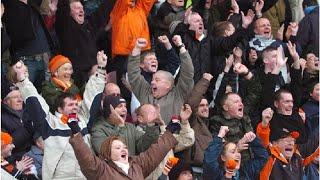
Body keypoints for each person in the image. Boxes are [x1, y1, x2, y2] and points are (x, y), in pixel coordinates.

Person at [13, 51, 107, 179]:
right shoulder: (51, 124)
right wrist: (23, 80)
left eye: (76, 105)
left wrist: (101, 68)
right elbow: (35, 102)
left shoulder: (83, 121)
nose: (75, 107)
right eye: (70, 105)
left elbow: (93, 95)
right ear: (59, 109)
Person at [68, 113, 180, 179]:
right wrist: (76, 133)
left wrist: (169, 132)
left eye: (124, 147)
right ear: (107, 153)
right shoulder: (102, 169)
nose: (123, 150)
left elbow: (155, 152)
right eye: (117, 148)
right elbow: (86, 157)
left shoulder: (137, 165)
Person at [128, 37, 194, 124]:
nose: (152, 82)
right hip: (148, 136)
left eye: (157, 80)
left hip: (172, 136)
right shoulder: (145, 93)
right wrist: (137, 48)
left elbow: (188, 73)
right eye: (152, 80)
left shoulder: (178, 95)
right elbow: (134, 75)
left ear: (168, 84)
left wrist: (181, 46)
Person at [54, 0, 115, 88]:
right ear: (69, 13)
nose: (81, 10)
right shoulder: (65, 27)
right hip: (77, 77)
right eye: (77, 8)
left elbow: (102, 11)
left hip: (95, 73)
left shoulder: (89, 26)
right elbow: (62, 8)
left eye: (82, 8)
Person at [2, 0, 54, 92]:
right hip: (25, 60)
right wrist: (15, 59)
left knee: (45, 95)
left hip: (45, 57)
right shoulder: (9, 5)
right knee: (26, 94)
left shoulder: (32, 4)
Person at [256, 109, 319, 180]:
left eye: (293, 141)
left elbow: (312, 152)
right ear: (274, 143)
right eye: (286, 140)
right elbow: (262, 143)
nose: (291, 143)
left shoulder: (297, 158)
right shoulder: (269, 157)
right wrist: (264, 124)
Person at [91, 96, 160, 155]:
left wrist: (151, 126)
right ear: (109, 111)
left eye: (125, 106)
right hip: (113, 170)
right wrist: (120, 127)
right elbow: (106, 152)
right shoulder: (98, 129)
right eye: (120, 106)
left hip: (133, 168)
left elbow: (142, 147)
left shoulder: (130, 127)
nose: (124, 110)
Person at [203, 126, 268, 180]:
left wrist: (254, 140)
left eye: (238, 151)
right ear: (223, 157)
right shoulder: (216, 174)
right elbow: (209, 160)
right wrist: (219, 137)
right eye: (233, 152)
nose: (237, 155)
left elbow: (262, 158)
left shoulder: (246, 172)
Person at [183, 73, 213, 178]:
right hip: (194, 171)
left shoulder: (210, 123)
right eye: (201, 105)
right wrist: (205, 81)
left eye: (206, 105)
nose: (205, 108)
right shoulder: (192, 121)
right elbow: (192, 103)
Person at [1, 77, 35, 162]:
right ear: (6, 101)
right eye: (15, 97)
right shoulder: (2, 118)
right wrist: (28, 127)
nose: (20, 100)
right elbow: (8, 144)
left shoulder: (28, 110)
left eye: (21, 96)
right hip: (19, 157)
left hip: (37, 149)